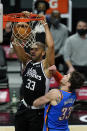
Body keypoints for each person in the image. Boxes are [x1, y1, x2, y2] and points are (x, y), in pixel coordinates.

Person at [12, 15, 55, 131]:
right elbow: (14, 42)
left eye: (36, 49)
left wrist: (45, 24)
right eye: (31, 49)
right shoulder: (26, 62)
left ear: (43, 53)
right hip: (23, 107)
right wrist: (21, 22)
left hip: (37, 113)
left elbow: (50, 46)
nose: (32, 51)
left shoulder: (46, 66)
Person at [33, 65, 84, 131]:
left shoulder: (55, 93)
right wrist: (55, 72)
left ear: (68, 83)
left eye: (66, 76)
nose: (64, 75)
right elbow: (62, 82)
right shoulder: (73, 94)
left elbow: (35, 103)